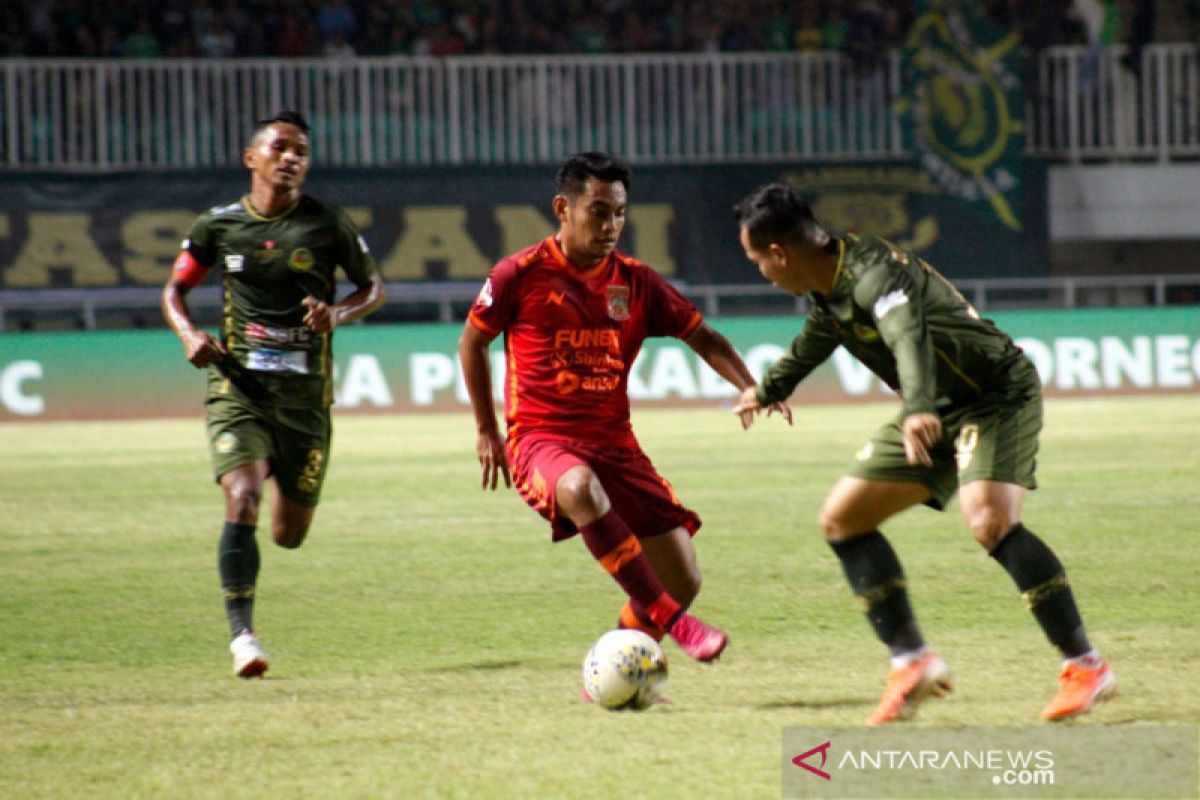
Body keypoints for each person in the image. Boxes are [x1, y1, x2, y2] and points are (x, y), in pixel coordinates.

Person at [730, 182, 1114, 724]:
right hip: (933, 404)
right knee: (843, 520)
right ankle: (912, 660)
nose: (761, 273)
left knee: (989, 520)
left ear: (779, 253)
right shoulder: (830, 286)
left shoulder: (872, 272)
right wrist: (769, 389)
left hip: (992, 394)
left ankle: (1086, 665)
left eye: (756, 260)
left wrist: (916, 407)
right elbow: (821, 332)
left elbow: (905, 331)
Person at [459, 152, 788, 668]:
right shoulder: (518, 275)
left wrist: (755, 386)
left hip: (616, 444)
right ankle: (677, 626)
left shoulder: (635, 281)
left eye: (619, 213)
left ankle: (615, 665)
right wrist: (486, 430)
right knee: (578, 488)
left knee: (683, 578)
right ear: (562, 209)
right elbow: (472, 343)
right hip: (541, 441)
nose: (611, 225)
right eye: (598, 211)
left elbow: (703, 338)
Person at [162, 110, 385, 678]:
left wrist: (338, 312)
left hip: (305, 400)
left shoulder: (327, 225)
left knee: (288, 535)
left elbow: (374, 286)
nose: (291, 158)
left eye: (301, 152)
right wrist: (189, 334)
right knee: (242, 496)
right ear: (251, 158)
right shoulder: (217, 226)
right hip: (239, 389)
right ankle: (243, 638)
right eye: (280, 147)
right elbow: (175, 290)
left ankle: (257, 587)